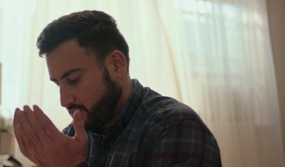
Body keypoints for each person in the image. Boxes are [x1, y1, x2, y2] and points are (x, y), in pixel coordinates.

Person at [13, 10, 222, 167]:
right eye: (58, 84)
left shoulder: (175, 127)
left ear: (116, 65)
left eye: (74, 79)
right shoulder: (74, 137)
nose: (64, 100)